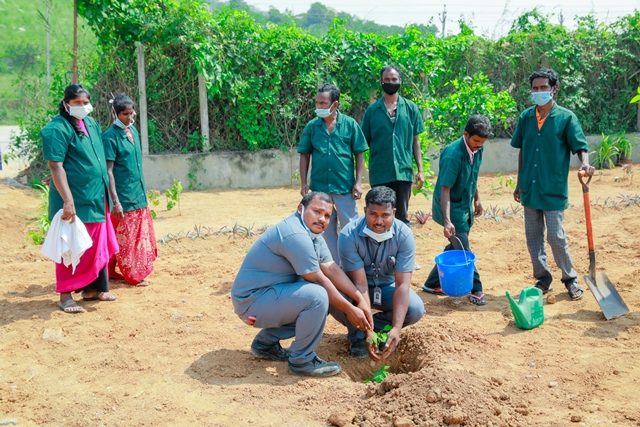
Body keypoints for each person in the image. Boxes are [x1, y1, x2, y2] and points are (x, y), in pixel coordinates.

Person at [231, 192, 374, 377]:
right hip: (252, 303)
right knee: (318, 296)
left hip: (269, 296)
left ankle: (265, 344)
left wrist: (359, 298)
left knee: (319, 296)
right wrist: (349, 309)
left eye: (327, 215)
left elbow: (331, 268)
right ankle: (302, 361)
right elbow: (319, 278)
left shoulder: (313, 233)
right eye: (317, 211)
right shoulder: (295, 234)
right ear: (301, 208)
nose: (322, 219)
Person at [511, 68, 595, 300]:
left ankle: (570, 279)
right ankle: (543, 278)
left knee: (556, 236)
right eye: (535, 89)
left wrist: (585, 164)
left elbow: (580, 146)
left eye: (543, 88)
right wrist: (519, 183)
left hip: (553, 188)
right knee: (533, 237)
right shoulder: (526, 118)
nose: (539, 92)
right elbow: (522, 151)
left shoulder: (566, 118)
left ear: (553, 89)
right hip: (530, 187)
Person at [42, 84, 118, 313]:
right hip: (74, 199)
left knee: (96, 245)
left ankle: (92, 289)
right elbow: (56, 165)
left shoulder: (91, 124)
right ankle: (65, 295)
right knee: (70, 245)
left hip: (96, 195)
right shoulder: (56, 129)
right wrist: (67, 200)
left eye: (86, 102)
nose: (83, 107)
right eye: (77, 103)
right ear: (66, 104)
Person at [332, 186, 425, 359]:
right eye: (373, 214)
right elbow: (360, 285)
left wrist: (397, 328)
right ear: (365, 210)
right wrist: (366, 330)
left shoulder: (404, 235)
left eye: (385, 215)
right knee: (335, 298)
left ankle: (379, 329)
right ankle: (358, 336)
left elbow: (402, 285)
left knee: (415, 308)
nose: (379, 221)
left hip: (386, 288)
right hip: (355, 289)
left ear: (394, 213)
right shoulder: (348, 236)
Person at [422, 115, 492, 305]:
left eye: (482, 142)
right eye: (476, 141)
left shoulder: (478, 149)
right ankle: (476, 288)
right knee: (462, 248)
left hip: (464, 206)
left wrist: (477, 200)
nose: (479, 145)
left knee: (455, 244)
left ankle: (430, 283)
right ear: (466, 134)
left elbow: (473, 175)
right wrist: (447, 221)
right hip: (450, 208)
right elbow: (445, 188)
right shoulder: (453, 154)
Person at [298, 83, 368, 261]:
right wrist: (304, 183)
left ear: (335, 104)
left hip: (344, 187)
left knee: (351, 228)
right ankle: (334, 267)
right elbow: (304, 155)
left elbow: (359, 154)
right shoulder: (312, 127)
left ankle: (355, 264)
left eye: (323, 103)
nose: (319, 107)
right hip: (320, 188)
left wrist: (358, 182)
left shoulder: (350, 125)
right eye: (317, 103)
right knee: (324, 230)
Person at [103, 94, 157, 285]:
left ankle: (111, 270)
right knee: (127, 239)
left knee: (127, 237)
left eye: (132, 112)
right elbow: (108, 171)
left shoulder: (132, 131)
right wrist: (115, 201)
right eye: (125, 114)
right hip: (123, 197)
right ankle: (132, 274)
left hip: (138, 194)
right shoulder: (110, 137)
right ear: (115, 114)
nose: (130, 116)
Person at [361, 65, 425, 225]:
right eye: (387, 80)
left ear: (400, 81)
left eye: (394, 79)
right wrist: (358, 176)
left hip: (403, 172)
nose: (391, 82)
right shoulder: (372, 111)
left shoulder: (411, 108)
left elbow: (415, 142)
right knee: (379, 217)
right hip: (380, 173)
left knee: (401, 216)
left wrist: (420, 170)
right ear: (381, 82)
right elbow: (362, 145)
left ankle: (402, 248)